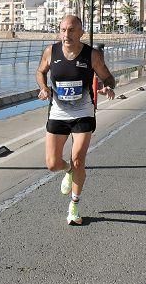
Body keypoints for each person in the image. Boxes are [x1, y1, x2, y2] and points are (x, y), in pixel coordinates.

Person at [37, 14, 117, 225]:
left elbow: (108, 77)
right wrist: (44, 87)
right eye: (63, 30)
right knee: (53, 164)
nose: (66, 34)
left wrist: (108, 86)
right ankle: (68, 171)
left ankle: (74, 205)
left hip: (83, 113)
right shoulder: (51, 52)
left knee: (79, 159)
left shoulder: (92, 55)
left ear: (81, 32)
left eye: (71, 30)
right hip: (58, 113)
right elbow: (40, 71)